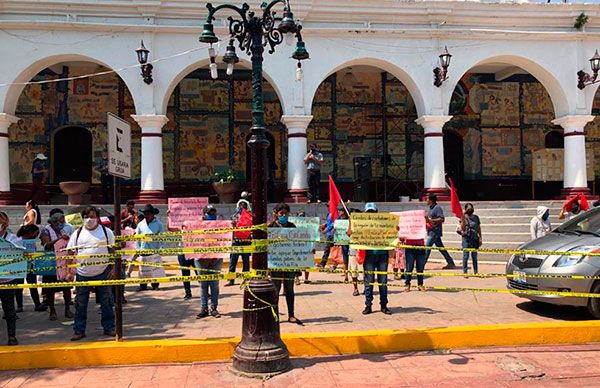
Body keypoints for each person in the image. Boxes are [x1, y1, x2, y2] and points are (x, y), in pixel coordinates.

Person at [66, 206, 116, 341]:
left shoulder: (107, 232)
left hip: (103, 272)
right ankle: (79, 330)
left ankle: (109, 327)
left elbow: (115, 252)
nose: (90, 219)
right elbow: (70, 252)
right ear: (83, 218)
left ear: (98, 218)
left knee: (107, 302)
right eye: (87, 216)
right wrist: (69, 271)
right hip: (82, 274)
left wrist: (114, 269)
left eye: (93, 216)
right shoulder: (77, 233)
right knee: (80, 304)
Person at [350, 203, 392, 315]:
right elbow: (349, 233)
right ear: (365, 213)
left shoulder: (384, 223)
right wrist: (351, 224)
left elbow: (393, 233)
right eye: (369, 212)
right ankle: (368, 305)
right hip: (368, 255)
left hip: (383, 254)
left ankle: (384, 305)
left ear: (376, 212)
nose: (371, 214)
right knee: (369, 282)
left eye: (372, 212)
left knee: (383, 282)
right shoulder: (362, 225)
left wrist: (395, 229)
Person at [269, 203, 303, 325]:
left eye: (286, 214)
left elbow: (298, 244)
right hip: (276, 264)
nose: (283, 216)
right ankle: (274, 316)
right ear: (276, 214)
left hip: (290, 263)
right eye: (281, 213)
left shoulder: (292, 226)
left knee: (289, 289)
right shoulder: (271, 227)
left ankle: (291, 315)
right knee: (275, 290)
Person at [39, 213, 73, 320]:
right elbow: (46, 245)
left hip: (63, 262)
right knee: (50, 288)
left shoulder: (62, 231)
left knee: (66, 286)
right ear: (54, 222)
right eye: (61, 222)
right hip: (51, 262)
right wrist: (58, 239)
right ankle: (52, 310)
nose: (62, 224)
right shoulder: (46, 231)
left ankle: (67, 309)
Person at [196, 205, 223, 318]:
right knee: (203, 285)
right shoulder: (196, 226)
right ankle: (204, 308)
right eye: (209, 213)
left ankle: (214, 308)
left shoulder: (220, 226)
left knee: (214, 285)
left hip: (216, 259)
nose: (212, 216)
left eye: (213, 213)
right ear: (204, 215)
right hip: (201, 259)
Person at [14, 224, 45, 313]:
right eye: (36, 233)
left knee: (33, 285)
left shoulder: (32, 241)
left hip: (30, 266)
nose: (37, 235)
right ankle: (19, 306)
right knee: (19, 287)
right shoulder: (18, 241)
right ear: (30, 232)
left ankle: (37, 304)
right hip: (19, 266)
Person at [135, 204, 165, 291]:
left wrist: (161, 247)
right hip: (143, 249)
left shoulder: (159, 224)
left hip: (154, 249)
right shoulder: (140, 224)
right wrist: (138, 248)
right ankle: (143, 285)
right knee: (143, 269)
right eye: (145, 213)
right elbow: (137, 237)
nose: (147, 215)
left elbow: (162, 237)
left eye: (148, 213)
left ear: (153, 214)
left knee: (154, 268)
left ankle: (155, 285)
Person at [425, 194, 456, 269]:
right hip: (431, 231)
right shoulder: (431, 209)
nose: (426, 200)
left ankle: (421, 264)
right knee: (441, 248)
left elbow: (442, 219)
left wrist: (431, 220)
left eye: (427, 199)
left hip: (435, 232)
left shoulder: (437, 208)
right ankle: (450, 262)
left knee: (427, 247)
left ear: (431, 200)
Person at [225, 199, 252, 287]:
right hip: (236, 242)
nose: (242, 208)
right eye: (240, 206)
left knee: (246, 262)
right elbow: (230, 229)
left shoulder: (250, 216)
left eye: (244, 206)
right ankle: (231, 280)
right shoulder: (233, 216)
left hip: (246, 242)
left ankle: (246, 279)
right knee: (233, 261)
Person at [0, 229, 20, 346]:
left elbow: (21, 254)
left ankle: (12, 336)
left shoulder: (12, 239)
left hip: (7, 280)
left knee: (9, 310)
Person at [459, 203, 482, 276]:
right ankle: (465, 272)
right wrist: (463, 218)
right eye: (468, 208)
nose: (470, 210)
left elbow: (478, 228)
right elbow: (462, 228)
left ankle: (476, 272)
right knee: (465, 256)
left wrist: (480, 238)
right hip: (466, 239)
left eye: (471, 208)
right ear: (465, 209)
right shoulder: (463, 217)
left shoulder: (476, 217)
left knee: (474, 256)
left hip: (475, 238)